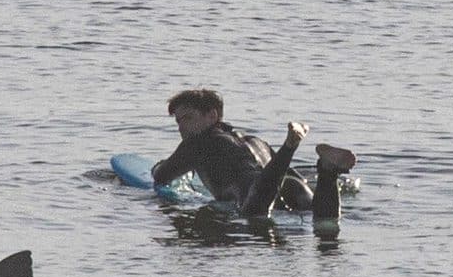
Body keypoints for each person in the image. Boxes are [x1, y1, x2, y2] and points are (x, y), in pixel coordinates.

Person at [150, 89, 357, 221]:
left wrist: (157, 167)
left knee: (254, 212)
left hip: (256, 193)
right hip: (292, 184)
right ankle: (327, 172)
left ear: (212, 115)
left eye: (187, 118)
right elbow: (290, 174)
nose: (181, 127)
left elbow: (162, 176)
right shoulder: (255, 141)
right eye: (178, 122)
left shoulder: (196, 144)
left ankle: (290, 145)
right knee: (323, 219)